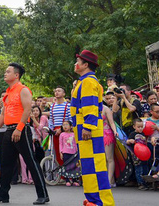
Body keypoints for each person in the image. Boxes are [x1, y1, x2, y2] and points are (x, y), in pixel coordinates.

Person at [0, 63, 49, 205]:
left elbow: (28, 110)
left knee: (31, 162)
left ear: (16, 75)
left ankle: (43, 195)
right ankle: (3, 195)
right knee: (6, 164)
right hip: (9, 131)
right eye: (5, 71)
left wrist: (19, 128)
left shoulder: (23, 90)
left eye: (8, 71)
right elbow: (3, 115)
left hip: (21, 130)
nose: (5, 73)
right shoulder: (7, 93)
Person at [71, 50, 115, 206]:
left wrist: (88, 127)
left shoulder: (89, 82)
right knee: (90, 166)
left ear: (85, 65)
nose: (75, 64)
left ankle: (100, 201)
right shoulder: (86, 81)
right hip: (85, 128)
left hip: (88, 128)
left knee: (94, 166)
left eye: (78, 61)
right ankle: (93, 199)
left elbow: (89, 106)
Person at [48, 86, 71, 166]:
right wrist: (51, 129)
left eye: (59, 91)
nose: (57, 92)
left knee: (66, 152)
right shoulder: (52, 106)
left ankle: (68, 173)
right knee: (58, 152)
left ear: (64, 94)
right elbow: (51, 119)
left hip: (65, 130)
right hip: (55, 131)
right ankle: (61, 174)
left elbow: (70, 119)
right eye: (56, 91)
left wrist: (62, 129)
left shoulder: (68, 105)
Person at [127, 119, 150, 190]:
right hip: (136, 155)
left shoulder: (143, 134)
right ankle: (140, 183)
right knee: (138, 168)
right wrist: (130, 141)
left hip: (144, 154)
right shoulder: (132, 134)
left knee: (145, 167)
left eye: (141, 127)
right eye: (138, 127)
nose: (140, 128)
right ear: (134, 127)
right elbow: (127, 142)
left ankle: (145, 182)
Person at [59, 121, 80, 187]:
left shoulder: (74, 134)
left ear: (71, 126)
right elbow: (60, 144)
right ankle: (67, 180)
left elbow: (76, 143)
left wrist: (77, 151)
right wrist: (61, 152)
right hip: (65, 152)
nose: (65, 126)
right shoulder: (62, 134)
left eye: (66, 124)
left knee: (74, 167)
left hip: (73, 153)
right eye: (63, 125)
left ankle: (74, 180)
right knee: (66, 167)